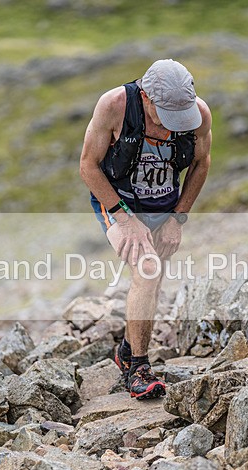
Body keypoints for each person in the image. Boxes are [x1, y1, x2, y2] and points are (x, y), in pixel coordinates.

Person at [79, 59, 212, 400]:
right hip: (118, 201)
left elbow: (201, 163)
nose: (171, 128)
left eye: (179, 118)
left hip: (165, 207)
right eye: (165, 116)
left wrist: (178, 217)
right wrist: (124, 218)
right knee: (148, 269)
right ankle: (136, 367)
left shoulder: (200, 114)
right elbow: (88, 166)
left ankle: (127, 349)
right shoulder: (114, 106)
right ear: (146, 98)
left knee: (152, 281)